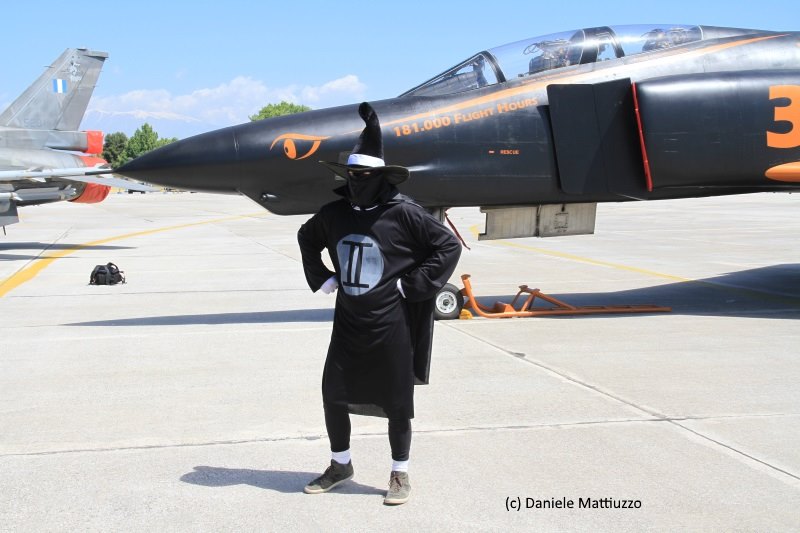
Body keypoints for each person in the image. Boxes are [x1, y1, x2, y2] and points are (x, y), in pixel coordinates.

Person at [297, 102, 461, 505]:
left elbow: (447, 245)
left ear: (381, 178)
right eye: (352, 176)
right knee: (333, 395)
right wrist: (325, 277)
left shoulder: (403, 214)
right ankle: (340, 465)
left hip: (392, 325)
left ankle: (399, 473)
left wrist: (412, 285)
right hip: (348, 325)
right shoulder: (334, 214)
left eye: (364, 176)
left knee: (397, 403)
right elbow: (306, 238)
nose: (357, 183)